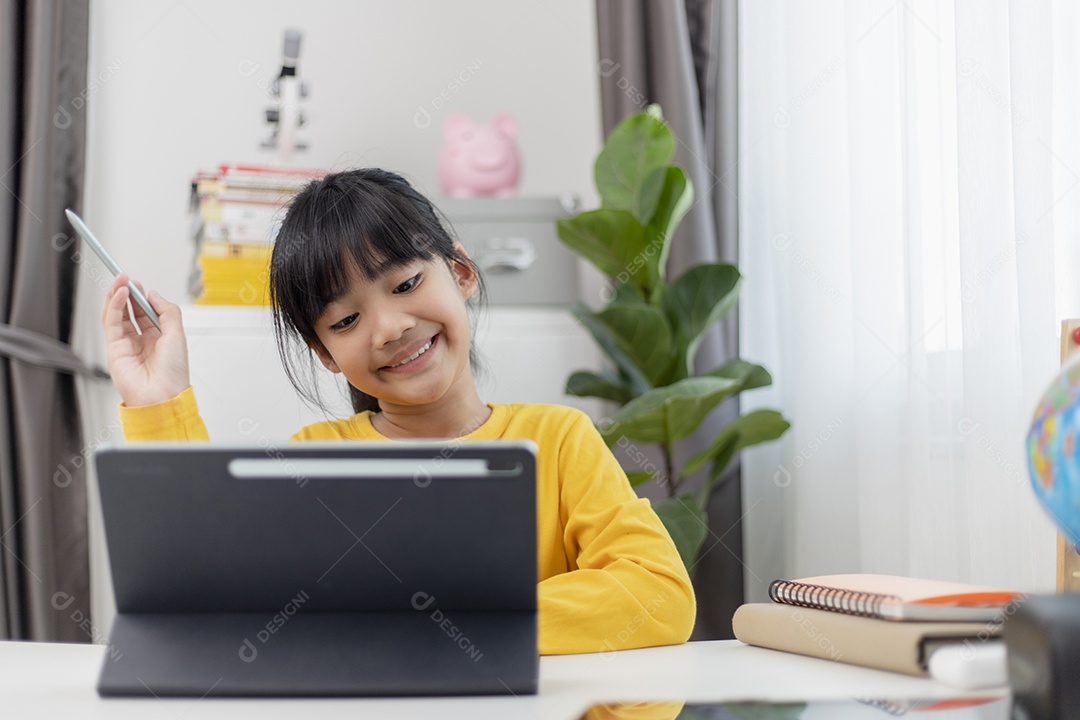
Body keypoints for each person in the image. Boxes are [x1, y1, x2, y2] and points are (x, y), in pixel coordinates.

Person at [101, 168, 695, 655]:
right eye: (346, 321)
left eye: (406, 284)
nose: (389, 327)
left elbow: (659, 593)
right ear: (326, 354)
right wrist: (159, 400)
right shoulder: (315, 457)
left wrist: (448, 627)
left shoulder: (560, 440)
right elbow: (208, 599)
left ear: (461, 272)